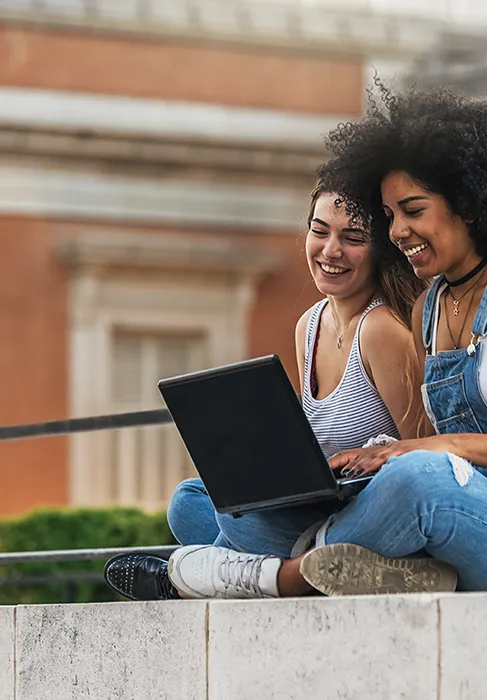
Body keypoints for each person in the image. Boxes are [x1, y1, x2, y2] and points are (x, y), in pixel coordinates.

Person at [103, 180, 442, 601]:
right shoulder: (310, 325)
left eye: (352, 238)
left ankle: (219, 577)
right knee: (188, 501)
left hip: (366, 508)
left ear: (382, 250)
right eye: (320, 231)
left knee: (242, 523)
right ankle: (299, 570)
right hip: (317, 509)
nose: (330, 251)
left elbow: (426, 453)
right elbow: (318, 441)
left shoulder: (382, 330)